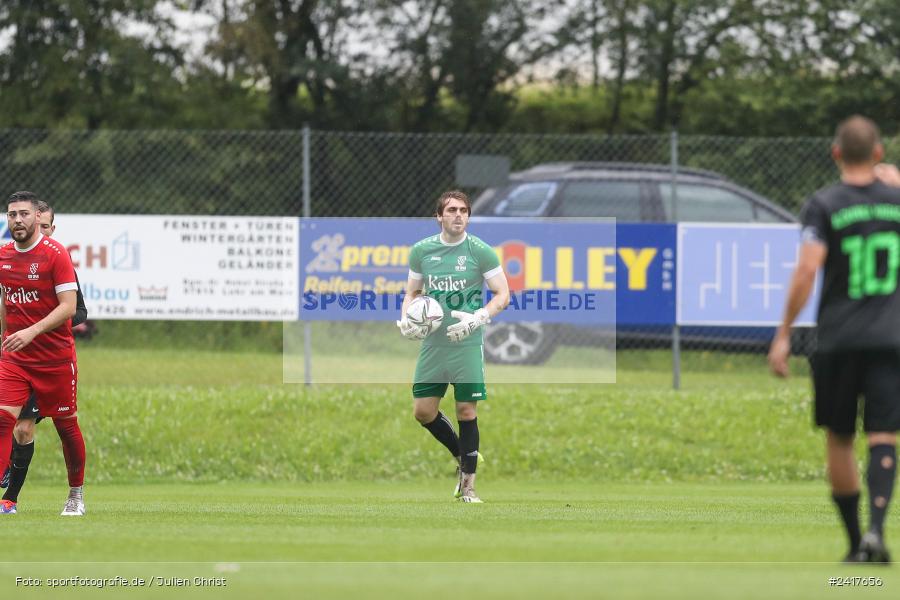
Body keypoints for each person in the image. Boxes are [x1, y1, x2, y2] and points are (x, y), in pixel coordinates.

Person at [769, 116, 898, 563]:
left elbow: (807, 269)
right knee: (883, 435)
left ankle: (851, 544)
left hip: (840, 338)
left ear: (836, 153)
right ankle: (877, 533)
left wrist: (784, 333)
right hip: (891, 338)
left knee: (840, 437)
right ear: (879, 153)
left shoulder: (824, 203)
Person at [397, 190, 509, 503]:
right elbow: (412, 293)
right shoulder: (422, 251)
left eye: (463, 210)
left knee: (466, 409)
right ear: (439, 216)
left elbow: (503, 294)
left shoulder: (480, 251)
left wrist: (479, 318)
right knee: (423, 411)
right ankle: (464, 455)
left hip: (467, 342)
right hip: (435, 343)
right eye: (451, 210)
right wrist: (407, 316)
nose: (458, 215)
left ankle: (469, 487)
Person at [0, 191, 86, 516]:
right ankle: (8, 498)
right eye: (12, 215)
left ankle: (75, 494)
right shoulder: (4, 256)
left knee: (66, 426)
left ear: (38, 217)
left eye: (23, 214)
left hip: (55, 360)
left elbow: (70, 309)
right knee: (4, 421)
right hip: (16, 359)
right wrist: (5, 335)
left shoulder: (56, 254)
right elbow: (6, 301)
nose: (17, 220)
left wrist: (31, 331)